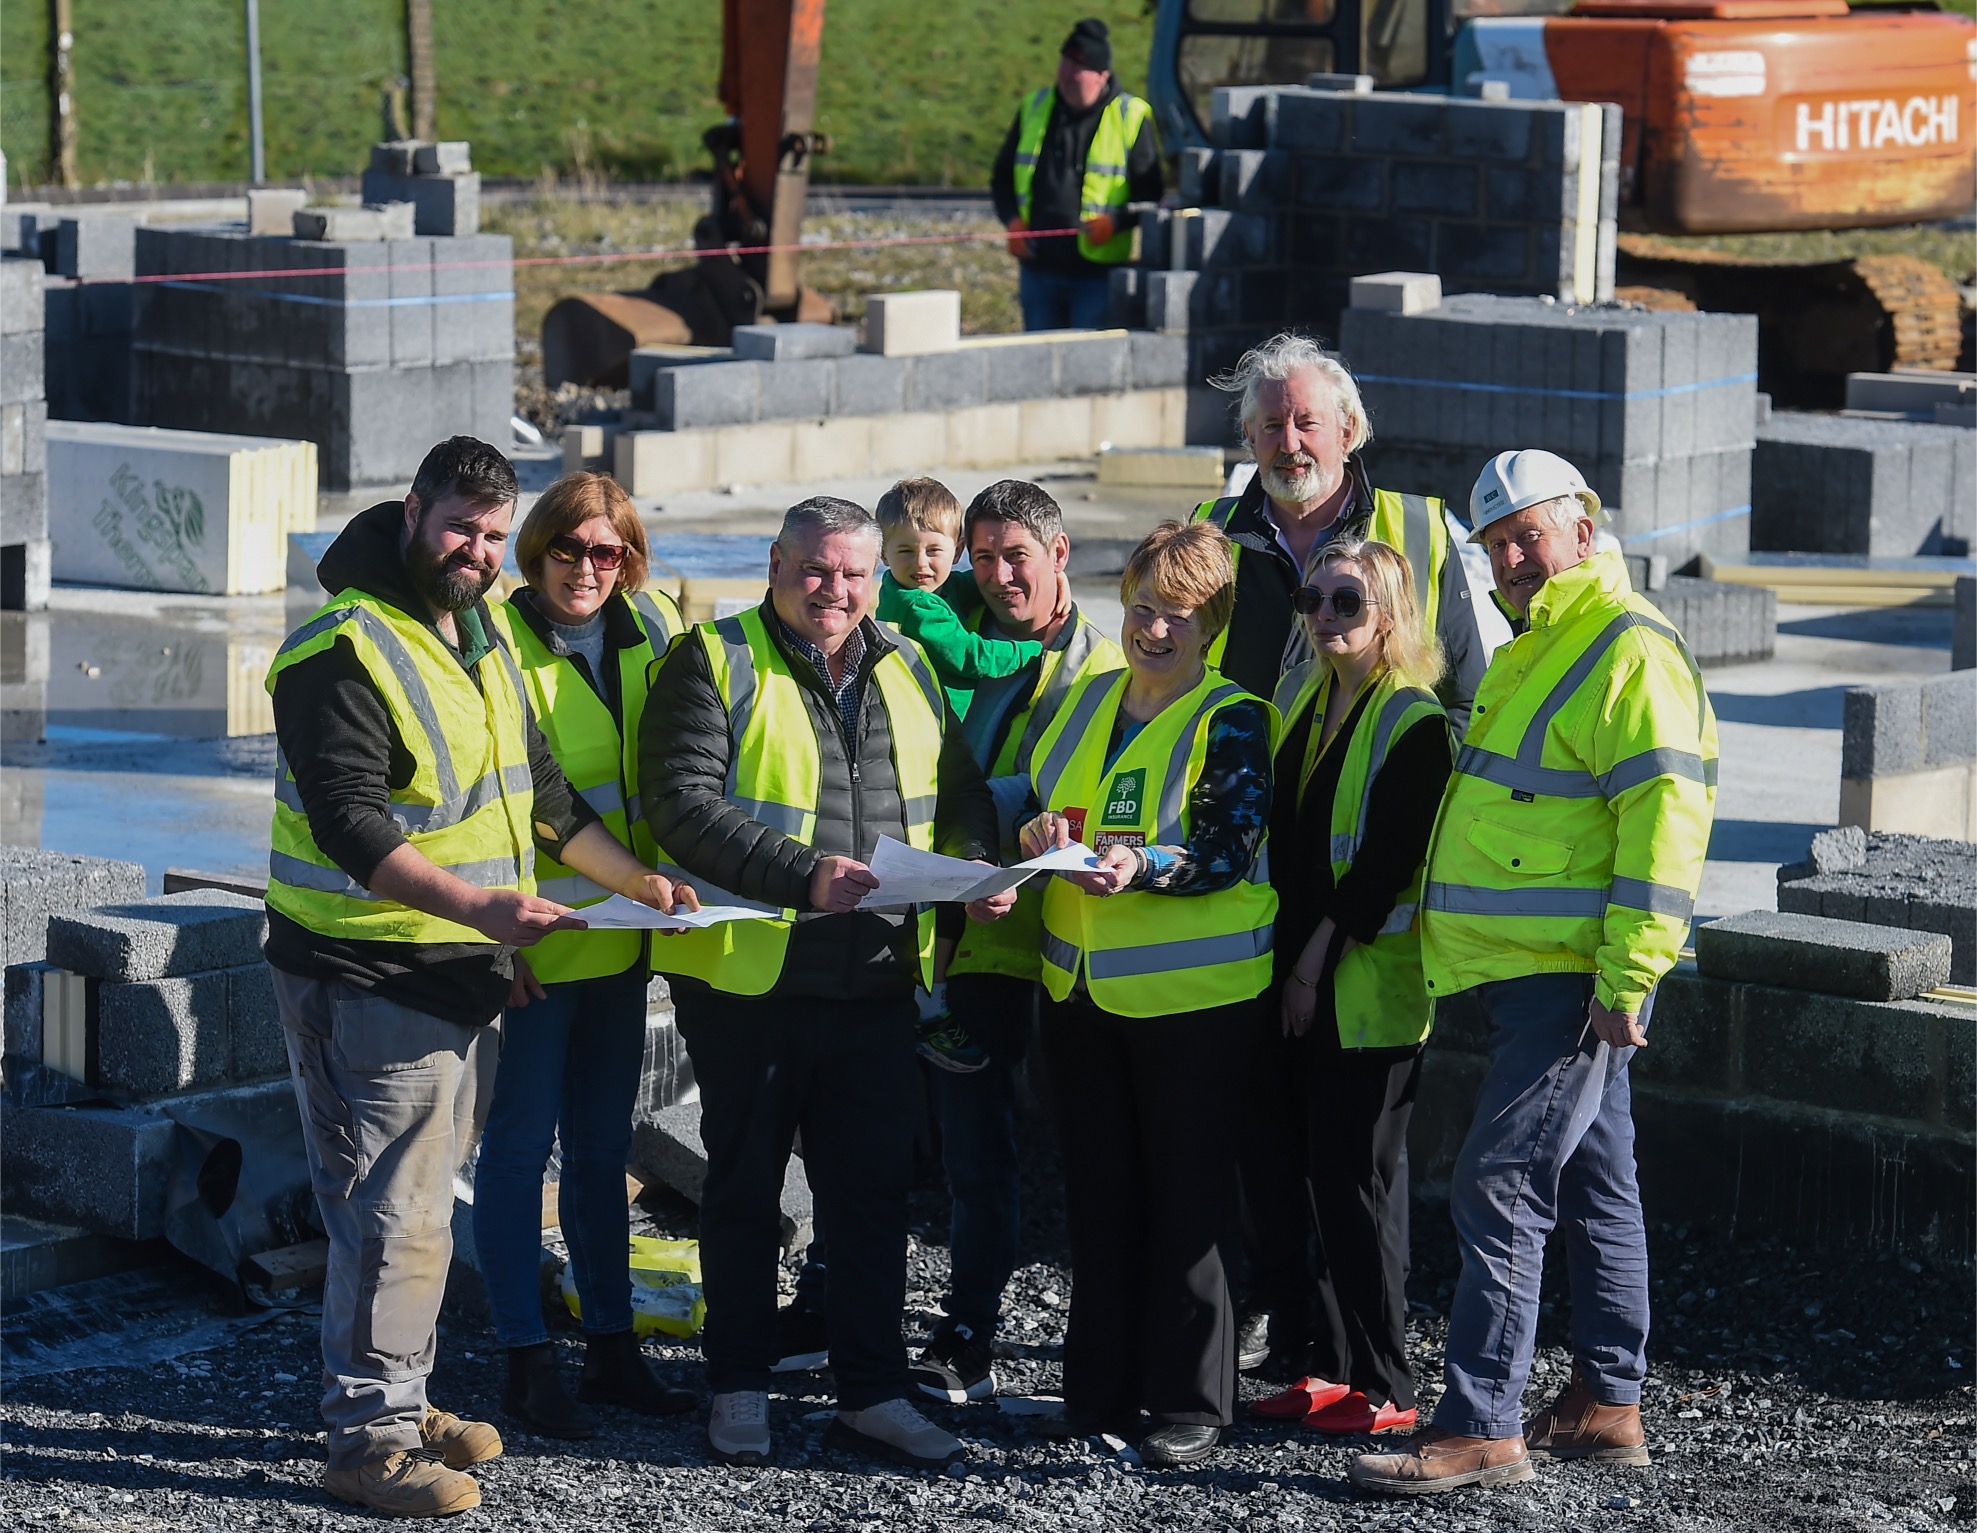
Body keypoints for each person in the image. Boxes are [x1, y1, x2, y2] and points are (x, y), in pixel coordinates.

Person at [264, 437, 689, 1518]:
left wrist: (634, 879)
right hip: (369, 968)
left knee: (404, 1213)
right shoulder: (342, 647)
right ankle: (369, 1443)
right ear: (412, 510)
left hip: (451, 971)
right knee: (392, 1216)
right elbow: (351, 822)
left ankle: (402, 1402)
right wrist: (482, 911)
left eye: (496, 535)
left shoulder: (479, 628)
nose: (480, 551)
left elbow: (538, 789)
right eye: (463, 527)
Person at [1351, 449, 1717, 1495]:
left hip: (1571, 978)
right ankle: (1607, 1400)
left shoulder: (1624, 646)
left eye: (1529, 535)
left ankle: (1480, 1424)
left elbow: (1666, 821)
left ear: (1582, 531)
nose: (1513, 558)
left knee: (1499, 1181)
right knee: (1598, 1179)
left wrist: (1627, 976)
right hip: (1532, 972)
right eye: (1498, 543)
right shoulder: (1544, 643)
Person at [638, 496, 1015, 1471]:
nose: (833, 590)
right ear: (774, 564)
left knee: (872, 1196)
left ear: (876, 578)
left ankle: (872, 1394)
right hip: (750, 982)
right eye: (814, 570)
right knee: (744, 1191)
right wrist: (802, 875)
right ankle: (737, 1383)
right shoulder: (712, 659)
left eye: (852, 574)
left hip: (880, 978)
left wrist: (974, 871)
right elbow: (679, 803)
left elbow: (961, 794)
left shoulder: (909, 664)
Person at [1195, 330, 1486, 1377]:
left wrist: (1406, 823)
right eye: (1270, 423)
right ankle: (1299, 1340)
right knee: (1271, 1139)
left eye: (1307, 420)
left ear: (1349, 430)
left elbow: (1473, 701)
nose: (1290, 440)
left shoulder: (1421, 529)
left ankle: (1369, 1365)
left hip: (1365, 919)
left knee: (1358, 1166)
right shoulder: (1213, 536)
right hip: (1249, 891)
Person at [1019, 519, 1275, 1469]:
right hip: (1079, 989)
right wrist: (1041, 832)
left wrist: (1145, 865)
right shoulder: (1088, 697)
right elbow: (1054, 802)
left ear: (1212, 623)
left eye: (1176, 613)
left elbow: (1226, 849)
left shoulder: (1231, 717)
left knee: (1188, 1199)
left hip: (1194, 1001)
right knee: (1098, 1194)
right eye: (1141, 607)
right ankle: (1098, 1391)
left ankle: (1190, 1401)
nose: (1154, 628)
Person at [475, 473, 694, 1439]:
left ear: (629, 560)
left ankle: (610, 1346)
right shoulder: (494, 641)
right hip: (536, 940)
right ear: (536, 552)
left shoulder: (653, 629)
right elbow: (493, 799)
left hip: (623, 937)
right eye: (568, 549)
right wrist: (495, 939)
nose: (586, 569)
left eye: (607, 552)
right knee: (519, 1152)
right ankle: (525, 1358)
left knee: (603, 1150)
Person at [907, 479, 1126, 1405]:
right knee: (921, 1136)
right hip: (935, 920)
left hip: (1028, 931)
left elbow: (1074, 801)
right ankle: (878, 1311)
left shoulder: (1099, 668)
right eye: (984, 557)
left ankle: (980, 1332)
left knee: (997, 1144)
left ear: (1060, 554)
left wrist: (989, 849)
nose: (999, 576)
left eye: (1017, 557)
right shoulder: (935, 628)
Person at [1248, 537, 1451, 1438]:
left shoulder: (1412, 718)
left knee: (1356, 1186)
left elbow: (1381, 868)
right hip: (1297, 977)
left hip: (1363, 993)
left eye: (1347, 601)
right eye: (1313, 599)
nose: (1324, 616)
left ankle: (1387, 1383)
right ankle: (1324, 1365)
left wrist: (1308, 967)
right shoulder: (1305, 694)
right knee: (1306, 1182)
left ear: (1390, 616)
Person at [874, 476, 1043, 1074]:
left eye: (935, 551)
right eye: (904, 552)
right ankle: (931, 1001)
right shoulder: (916, 605)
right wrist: (1035, 649)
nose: (921, 565)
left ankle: (927, 996)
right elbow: (970, 658)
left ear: (956, 550)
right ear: (882, 553)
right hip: (932, 750)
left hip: (934, 747)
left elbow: (974, 583)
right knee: (943, 894)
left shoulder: (932, 587)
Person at [991, 17, 1163, 332]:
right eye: (1065, 63)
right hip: (1038, 269)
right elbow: (1002, 178)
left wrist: (1116, 222)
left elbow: (1150, 195)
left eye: (1078, 67)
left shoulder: (1131, 115)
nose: (1067, 74)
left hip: (1097, 274)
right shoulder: (1034, 107)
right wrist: (1012, 222)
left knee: (1088, 357)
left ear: (1101, 75)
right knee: (1039, 354)